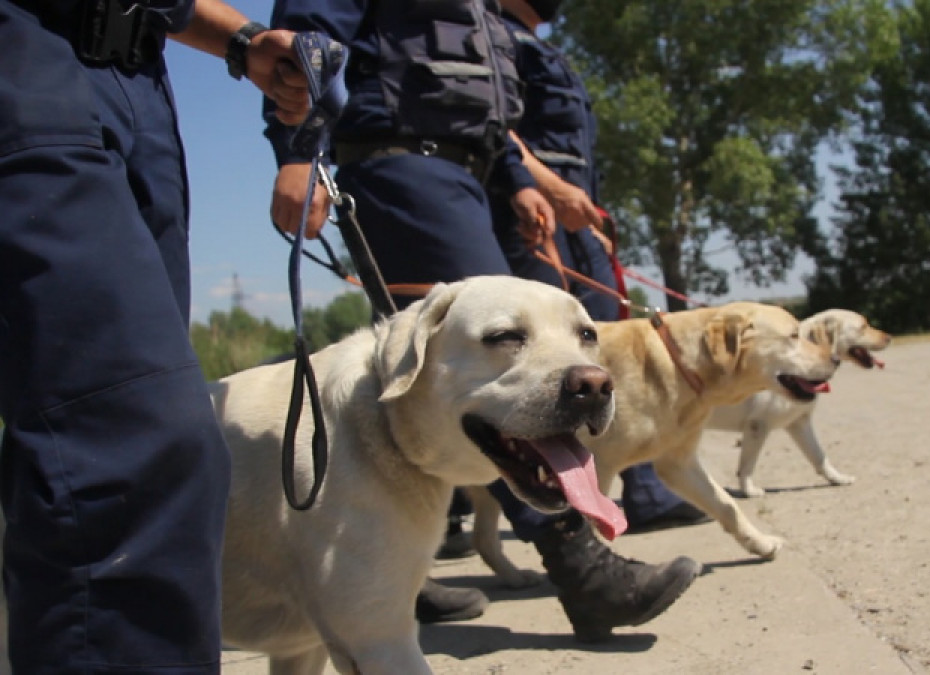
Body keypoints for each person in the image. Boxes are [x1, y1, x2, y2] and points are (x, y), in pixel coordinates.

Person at [265, 0, 700, 642]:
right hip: (402, 163)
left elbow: (489, 97)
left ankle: (398, 576)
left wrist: (518, 179)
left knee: (441, 393)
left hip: (475, 170)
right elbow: (308, 38)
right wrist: (299, 151)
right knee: (481, 383)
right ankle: (587, 575)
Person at [0, 0, 308, 671]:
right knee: (126, 446)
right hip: (27, 47)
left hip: (142, 77)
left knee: (124, 452)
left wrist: (241, 41)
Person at [489, 0, 712, 541]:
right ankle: (563, 512)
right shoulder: (494, 36)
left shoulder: (542, 46)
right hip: (537, 214)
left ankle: (643, 489)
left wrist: (587, 212)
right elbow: (497, 128)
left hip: (577, 215)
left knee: (611, 351)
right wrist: (551, 190)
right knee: (554, 363)